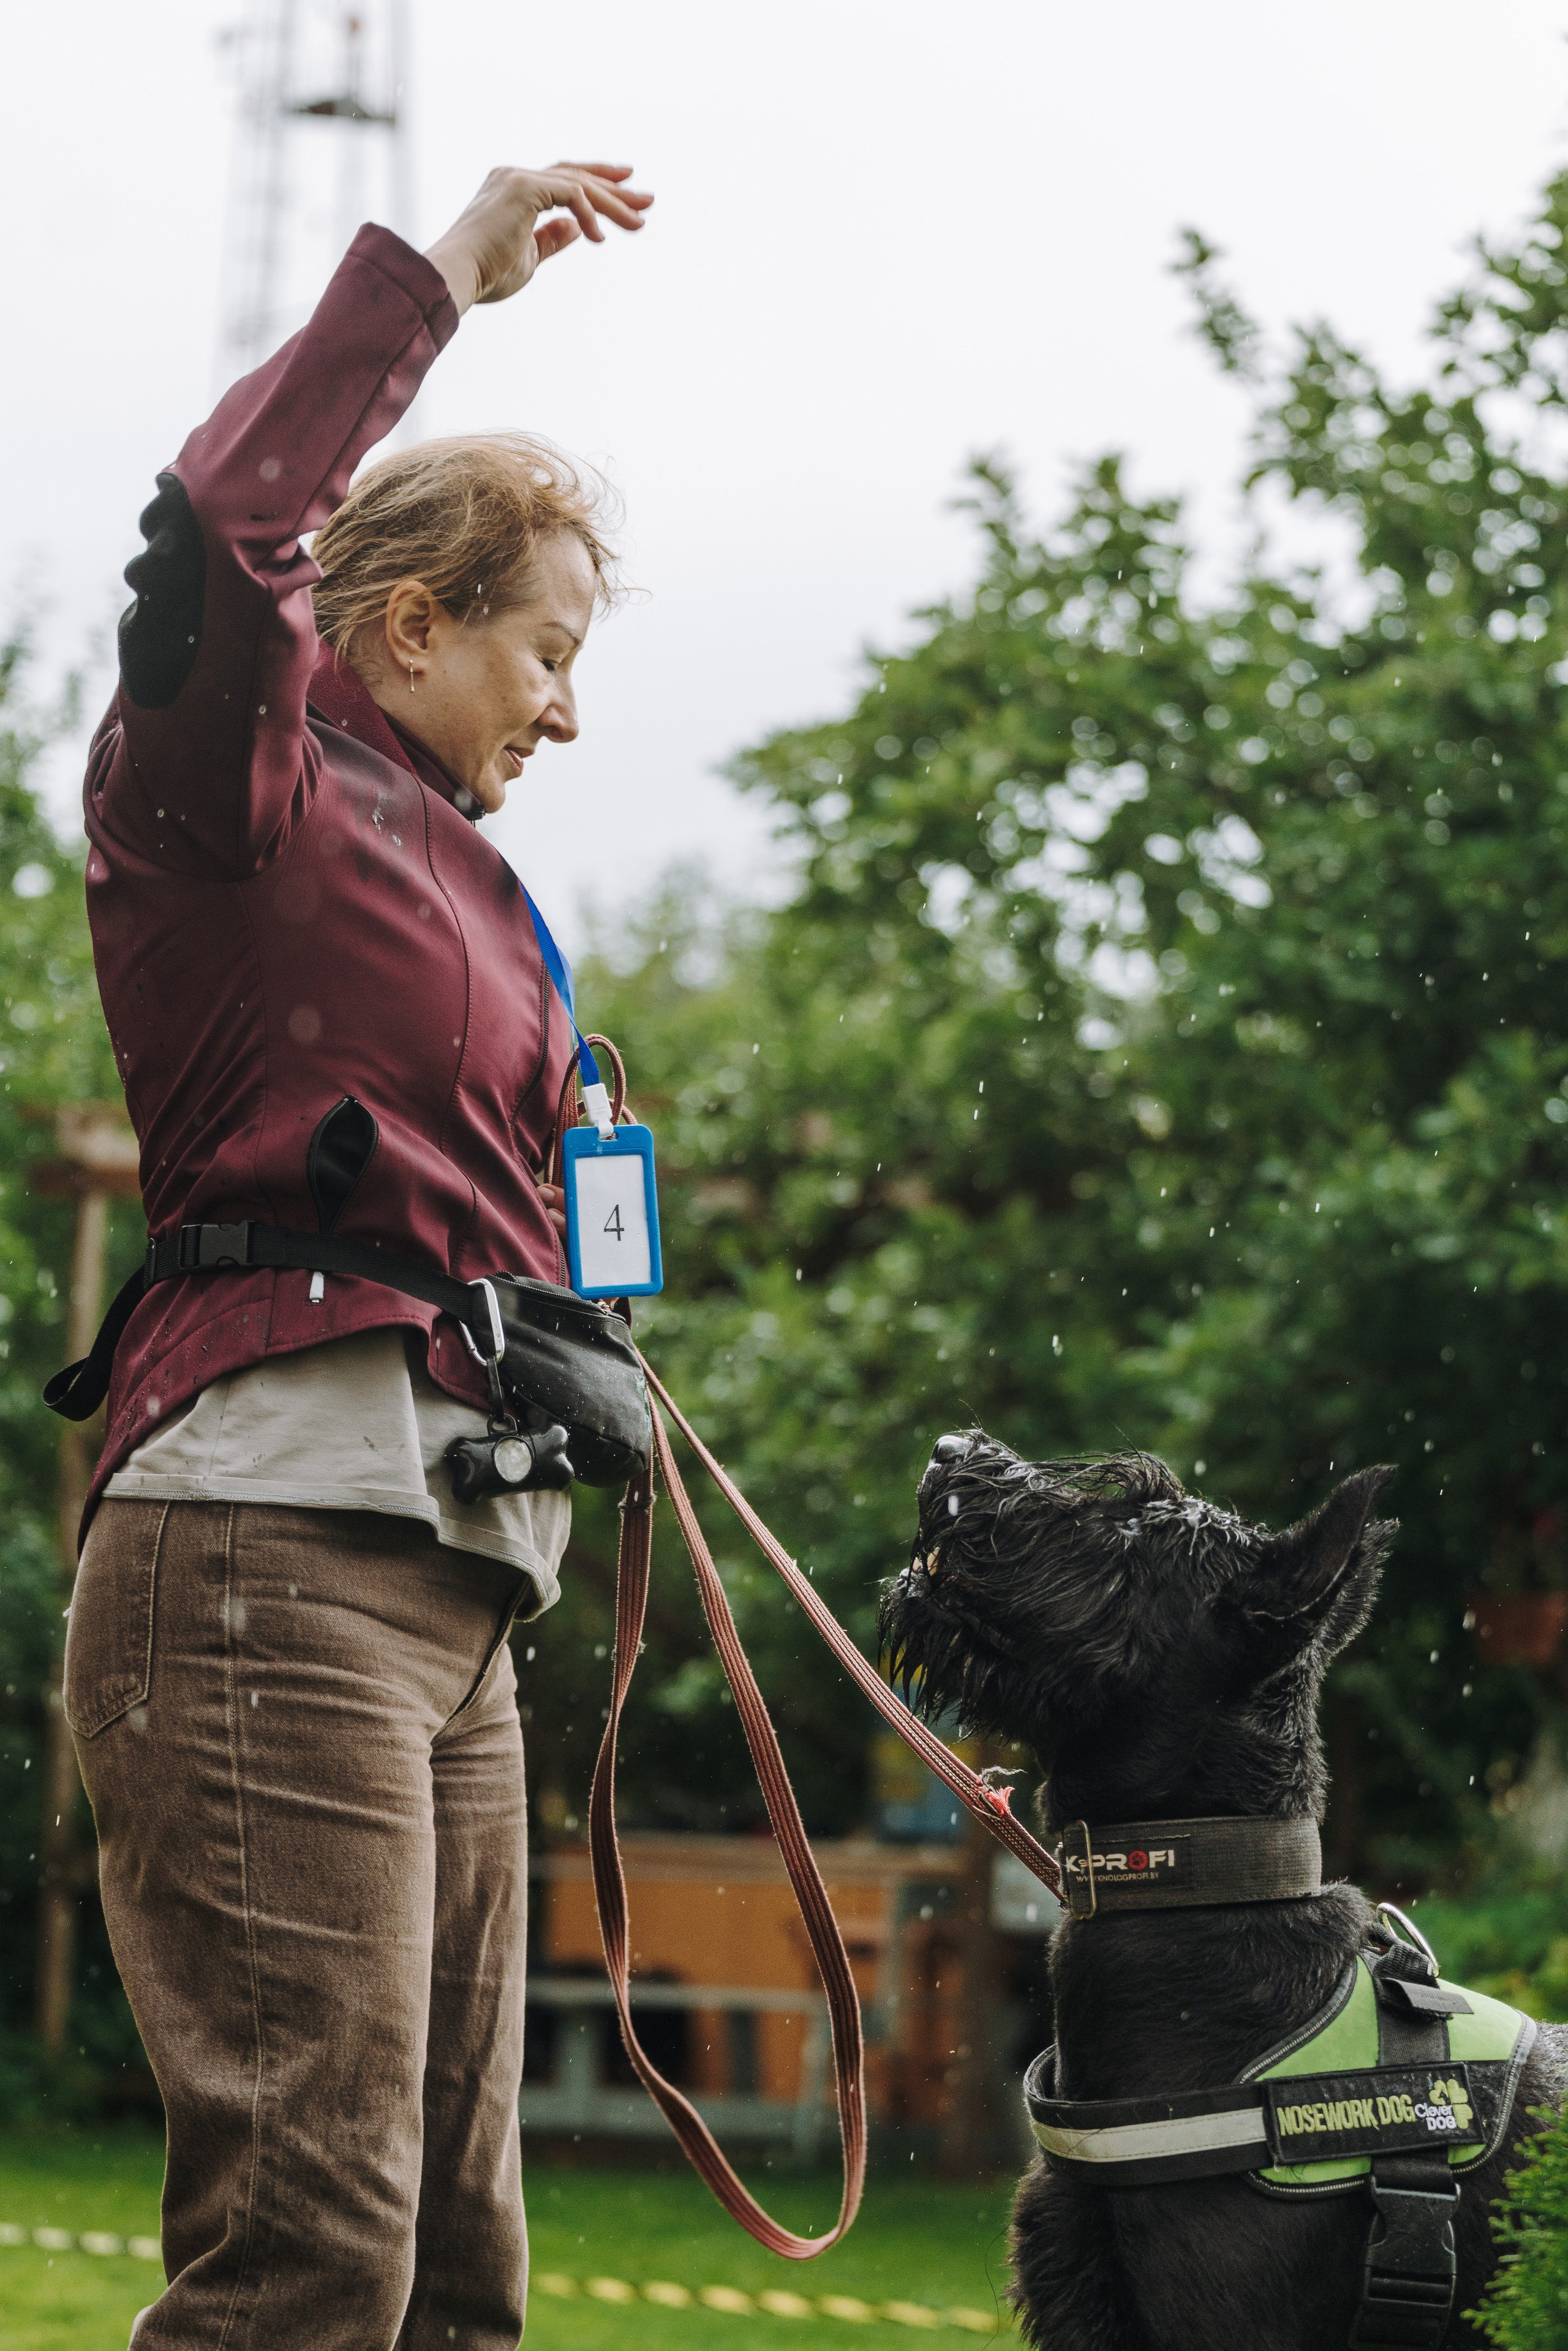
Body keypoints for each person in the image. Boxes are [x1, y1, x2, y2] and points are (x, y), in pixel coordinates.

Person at [60, 161, 652, 2350]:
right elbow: (222, 527)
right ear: (405, 625)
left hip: (460, 1595)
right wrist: (430, 290)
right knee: (310, 2265)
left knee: (455, 2285)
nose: (568, 709)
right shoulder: (231, 790)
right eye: (546, 649)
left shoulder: (490, 904)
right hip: (261, 1562)